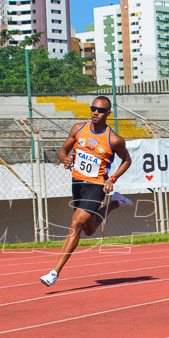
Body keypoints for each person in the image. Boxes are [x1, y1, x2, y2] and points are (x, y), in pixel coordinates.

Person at [39, 96, 133, 287]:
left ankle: (54, 272)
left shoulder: (114, 140)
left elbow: (127, 161)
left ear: (108, 113)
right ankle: (116, 202)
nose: (95, 113)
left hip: (97, 186)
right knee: (88, 229)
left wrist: (112, 178)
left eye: (100, 110)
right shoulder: (79, 129)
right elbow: (63, 151)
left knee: (76, 223)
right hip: (78, 184)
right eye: (93, 109)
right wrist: (64, 159)